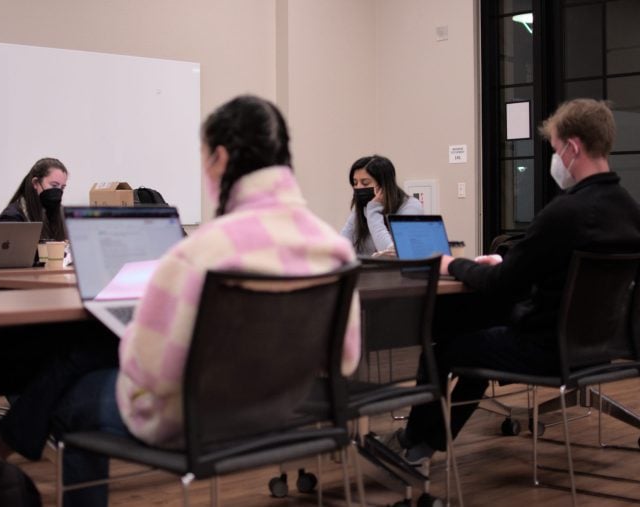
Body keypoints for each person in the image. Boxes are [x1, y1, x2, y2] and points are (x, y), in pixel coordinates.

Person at [40, 95, 362, 507]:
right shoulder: (333, 249)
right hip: (286, 413)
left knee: (74, 397)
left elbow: (151, 371)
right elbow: (345, 360)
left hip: (199, 422)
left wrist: (134, 331)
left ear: (221, 157)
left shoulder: (199, 253)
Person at [391, 98, 640, 471]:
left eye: (555, 149)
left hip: (545, 349)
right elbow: (557, 271)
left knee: (445, 346)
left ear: (572, 147)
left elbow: (502, 285)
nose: (556, 160)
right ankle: (426, 442)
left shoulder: (566, 212)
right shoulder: (629, 211)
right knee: (477, 337)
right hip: (597, 349)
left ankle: (415, 443)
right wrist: (507, 263)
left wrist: (452, 264)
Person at [340, 155, 423, 255]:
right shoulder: (363, 206)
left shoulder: (410, 207)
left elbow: (391, 253)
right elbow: (341, 245)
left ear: (384, 185)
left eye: (365, 183)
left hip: (396, 269)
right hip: (367, 270)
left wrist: (373, 212)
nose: (358, 188)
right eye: (355, 183)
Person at [0, 157, 69, 241]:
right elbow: (9, 252)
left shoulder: (61, 215)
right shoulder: (12, 216)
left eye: (62, 187)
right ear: (35, 183)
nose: (58, 191)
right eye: (54, 185)